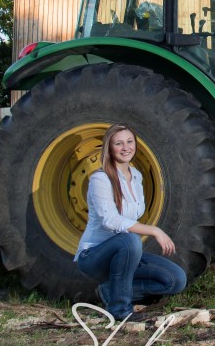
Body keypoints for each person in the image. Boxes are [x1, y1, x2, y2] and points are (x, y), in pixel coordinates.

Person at [74, 123, 187, 320]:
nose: (126, 148)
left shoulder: (136, 176)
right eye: (119, 143)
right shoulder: (100, 179)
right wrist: (155, 230)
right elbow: (110, 220)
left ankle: (110, 292)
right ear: (110, 148)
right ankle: (120, 310)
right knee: (130, 240)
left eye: (129, 142)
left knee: (176, 280)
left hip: (125, 254)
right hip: (94, 256)